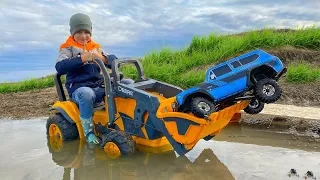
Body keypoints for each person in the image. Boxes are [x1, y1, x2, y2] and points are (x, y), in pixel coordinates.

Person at [55, 13, 133, 144]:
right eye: (79, 32)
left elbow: (114, 61)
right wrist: (81, 59)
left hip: (99, 85)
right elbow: (60, 66)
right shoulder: (67, 48)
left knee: (128, 83)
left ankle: (127, 120)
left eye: (86, 32)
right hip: (79, 89)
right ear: (73, 33)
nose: (84, 36)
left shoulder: (95, 47)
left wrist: (102, 58)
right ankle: (89, 132)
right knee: (87, 93)